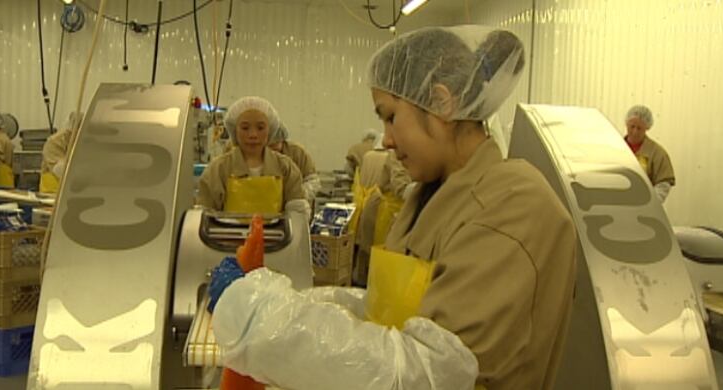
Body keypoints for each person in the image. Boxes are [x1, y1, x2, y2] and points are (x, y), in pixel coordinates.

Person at [206, 26, 577, 390]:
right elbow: (385, 315)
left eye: (390, 116)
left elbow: (427, 372)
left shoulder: (510, 205)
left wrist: (256, 314)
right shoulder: (430, 196)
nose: (384, 138)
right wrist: (288, 303)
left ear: (442, 103)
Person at [197, 96, 308, 215]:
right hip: (228, 234)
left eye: (260, 128)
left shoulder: (286, 167)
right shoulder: (218, 169)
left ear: (270, 130)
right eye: (245, 128)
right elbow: (205, 215)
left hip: (274, 234)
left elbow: (297, 215)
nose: (253, 134)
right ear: (234, 130)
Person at [352, 136, 411, 286]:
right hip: (383, 211)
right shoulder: (395, 156)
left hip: (369, 202)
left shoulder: (368, 156)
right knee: (379, 258)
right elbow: (401, 187)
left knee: (366, 255)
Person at [624, 105, 675, 202]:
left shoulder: (657, 153)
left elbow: (664, 183)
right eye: (632, 126)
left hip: (644, 208)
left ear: (647, 128)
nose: (635, 132)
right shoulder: (616, 148)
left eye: (639, 128)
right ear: (626, 124)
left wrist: (651, 203)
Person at [268, 123, 321, 202]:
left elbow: (313, 181)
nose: (272, 151)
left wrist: (298, 195)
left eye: (274, 145)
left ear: (282, 140)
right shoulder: (252, 154)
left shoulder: (297, 153)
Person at [40, 111, 82, 193]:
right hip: (52, 190)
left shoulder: (84, 141)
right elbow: (59, 170)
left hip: (71, 191)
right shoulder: (54, 142)